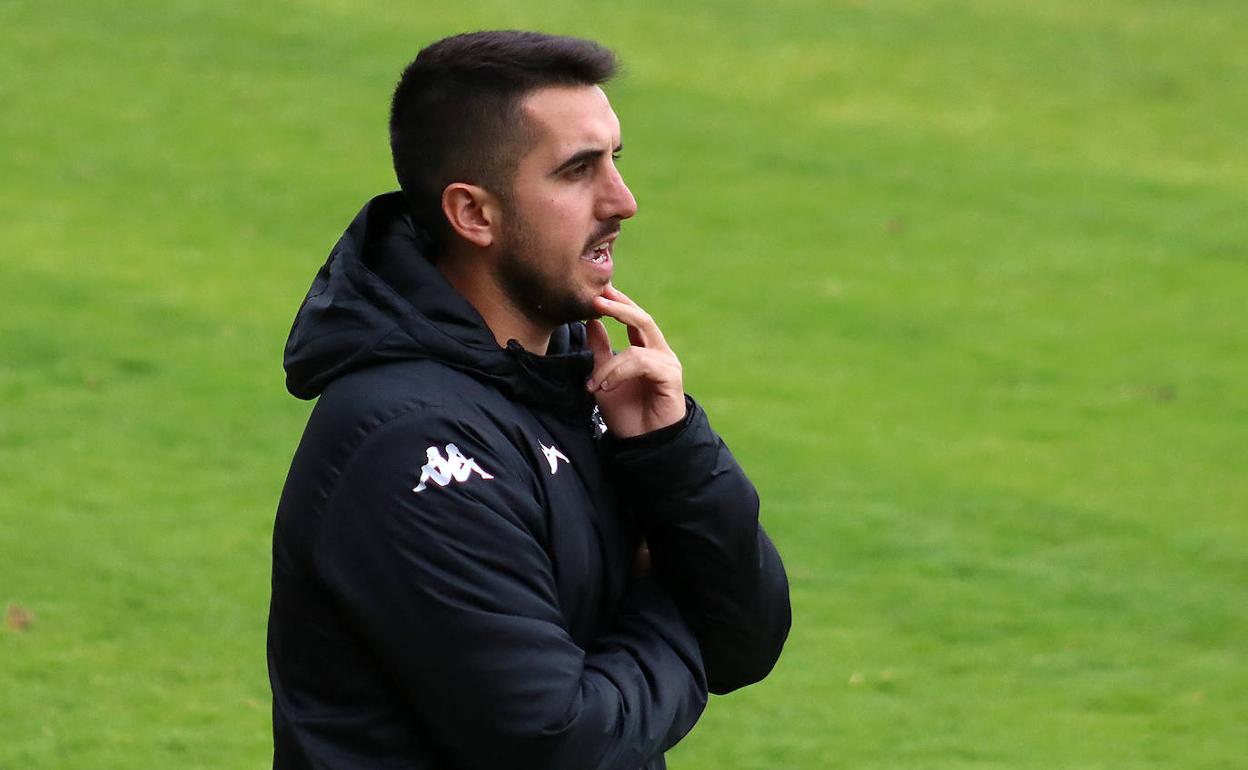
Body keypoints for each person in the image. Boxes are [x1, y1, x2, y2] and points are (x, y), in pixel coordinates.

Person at [268, 30, 790, 770]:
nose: (624, 201)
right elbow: (556, 742)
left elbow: (749, 640)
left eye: (615, 159)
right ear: (474, 214)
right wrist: (678, 595)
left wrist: (670, 454)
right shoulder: (412, 443)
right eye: (578, 171)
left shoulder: (577, 382)